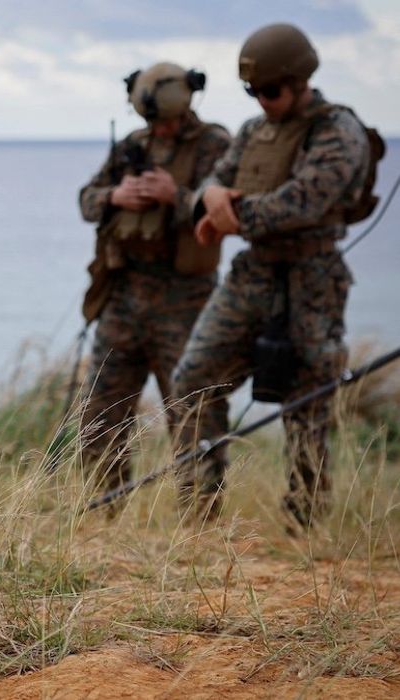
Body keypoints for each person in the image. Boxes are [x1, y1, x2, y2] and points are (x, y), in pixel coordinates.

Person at [172, 24, 371, 527]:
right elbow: (217, 178)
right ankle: (199, 511)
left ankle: (303, 523)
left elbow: (305, 201)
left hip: (312, 278)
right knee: (194, 380)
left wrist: (230, 215)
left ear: (301, 79)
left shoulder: (337, 130)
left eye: (271, 91)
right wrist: (212, 198)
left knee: (306, 403)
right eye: (252, 91)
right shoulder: (252, 131)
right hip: (251, 275)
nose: (262, 100)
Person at [76, 62, 231, 505]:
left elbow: (229, 211)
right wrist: (115, 197)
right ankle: (102, 508)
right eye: (151, 122)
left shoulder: (214, 144)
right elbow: (86, 200)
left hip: (186, 299)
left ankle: (200, 520)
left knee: (195, 410)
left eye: (166, 121)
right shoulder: (132, 146)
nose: (159, 130)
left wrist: (175, 197)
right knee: (102, 410)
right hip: (124, 297)